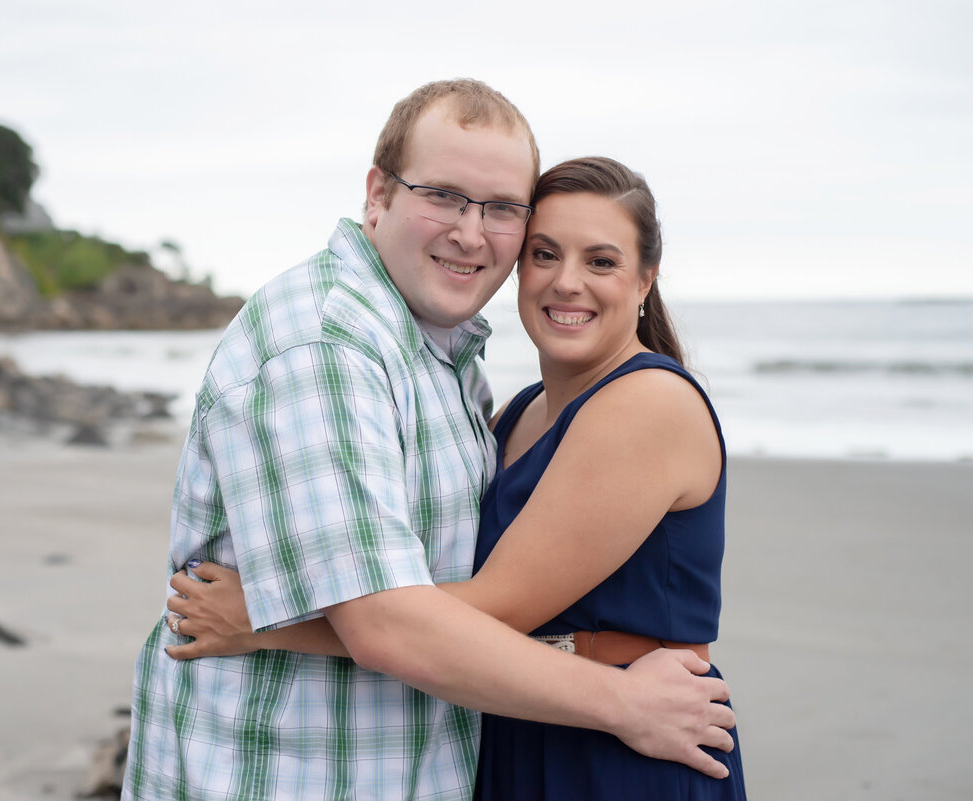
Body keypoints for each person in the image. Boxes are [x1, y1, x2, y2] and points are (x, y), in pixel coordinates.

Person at [123, 80, 736, 801]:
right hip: (378, 757)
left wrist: (266, 618)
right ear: (378, 193)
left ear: (645, 279)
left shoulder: (471, 370)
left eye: (501, 209)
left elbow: (465, 608)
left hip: (613, 750)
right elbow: (395, 620)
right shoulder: (339, 349)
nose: (473, 232)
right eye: (443, 195)